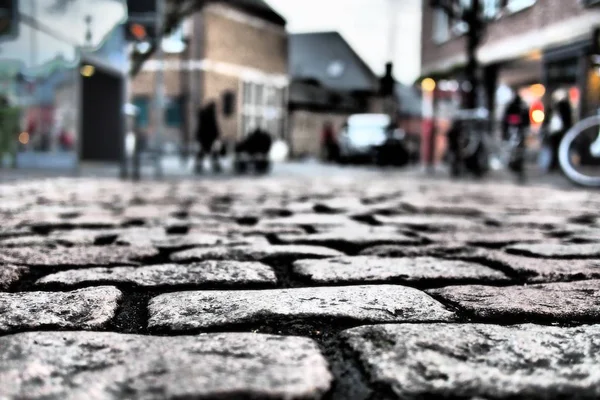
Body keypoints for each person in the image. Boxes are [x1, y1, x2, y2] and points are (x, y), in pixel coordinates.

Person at [501, 94, 530, 181]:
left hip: (517, 133)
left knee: (518, 151)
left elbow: (504, 121)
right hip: (515, 133)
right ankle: (515, 165)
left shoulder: (517, 107)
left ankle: (516, 166)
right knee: (516, 151)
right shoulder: (521, 107)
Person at [195, 101, 221, 174]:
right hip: (208, 137)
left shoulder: (204, 114)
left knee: (204, 152)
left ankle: (199, 166)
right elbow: (213, 126)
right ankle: (215, 166)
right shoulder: (210, 114)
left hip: (204, 137)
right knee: (210, 152)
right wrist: (217, 135)